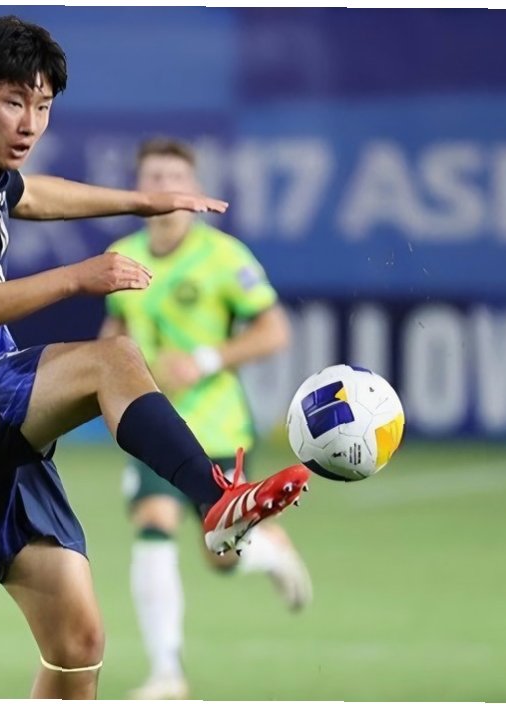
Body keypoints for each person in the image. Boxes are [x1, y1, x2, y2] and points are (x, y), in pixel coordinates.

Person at [0, 15, 311, 699]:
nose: (30, 124)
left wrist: (145, 202)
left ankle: (217, 508)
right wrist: (78, 276)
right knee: (112, 360)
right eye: (14, 101)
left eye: (42, 106)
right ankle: (218, 501)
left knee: (78, 645)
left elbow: (34, 194)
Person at [101, 137, 313, 700]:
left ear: (192, 191)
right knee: (153, 520)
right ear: (138, 187)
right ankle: (166, 673)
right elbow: (115, 329)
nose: (164, 187)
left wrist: (205, 360)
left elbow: (274, 331)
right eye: (154, 176)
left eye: (175, 177)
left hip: (217, 426)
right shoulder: (123, 255)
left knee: (219, 553)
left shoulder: (225, 257)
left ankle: (268, 551)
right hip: (153, 421)